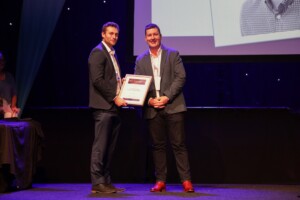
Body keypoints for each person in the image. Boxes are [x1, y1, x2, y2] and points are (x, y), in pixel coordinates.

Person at [134, 23, 194, 193]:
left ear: (160, 36)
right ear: (145, 38)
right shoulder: (140, 59)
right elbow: (138, 84)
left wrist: (166, 97)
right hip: (153, 109)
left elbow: (181, 77)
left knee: (179, 145)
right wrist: (150, 100)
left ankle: (186, 181)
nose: (152, 37)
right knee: (158, 146)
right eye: (149, 35)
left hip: (173, 106)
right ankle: (160, 181)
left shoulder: (173, 54)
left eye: (155, 34)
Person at [88, 22, 127, 194]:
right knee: (101, 146)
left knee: (109, 147)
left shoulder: (112, 53)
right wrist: (114, 96)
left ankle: (106, 181)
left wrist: (122, 84)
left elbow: (109, 79)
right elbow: (97, 80)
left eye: (116, 34)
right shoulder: (98, 52)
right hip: (104, 106)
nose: (114, 37)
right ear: (103, 34)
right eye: (111, 33)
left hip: (112, 107)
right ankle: (97, 182)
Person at [0, 51, 20, 118]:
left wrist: (13, 106)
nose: (1, 62)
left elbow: (14, 93)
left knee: (12, 117)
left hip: (7, 108)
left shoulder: (9, 77)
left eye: (2, 60)